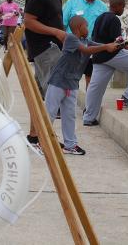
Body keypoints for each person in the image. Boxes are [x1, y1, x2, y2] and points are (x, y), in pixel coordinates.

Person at [45, 16, 120, 156]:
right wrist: (106, 46)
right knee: (50, 113)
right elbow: (86, 51)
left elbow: (97, 46)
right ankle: (42, 142)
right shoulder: (71, 38)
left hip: (72, 83)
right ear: (79, 27)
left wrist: (120, 44)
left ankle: (70, 145)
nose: (88, 28)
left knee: (69, 116)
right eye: (86, 26)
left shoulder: (86, 41)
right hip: (58, 81)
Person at [83, 0, 128, 126]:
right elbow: (118, 42)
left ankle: (88, 118)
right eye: (123, 6)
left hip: (99, 57)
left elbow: (98, 38)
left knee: (95, 88)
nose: (123, 9)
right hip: (111, 55)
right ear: (117, 6)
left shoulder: (100, 18)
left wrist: (125, 45)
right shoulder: (114, 20)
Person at [24, 0, 66, 150]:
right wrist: (55, 33)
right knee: (52, 95)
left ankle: (34, 136)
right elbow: (29, 22)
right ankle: (45, 137)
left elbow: (57, 22)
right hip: (44, 50)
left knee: (39, 95)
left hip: (54, 49)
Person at [62, 0, 108, 89]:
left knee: (90, 78)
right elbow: (63, 24)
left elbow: (105, 28)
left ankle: (89, 105)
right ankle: (68, 102)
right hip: (73, 47)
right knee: (70, 77)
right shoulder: (72, 2)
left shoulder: (103, 7)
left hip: (92, 47)